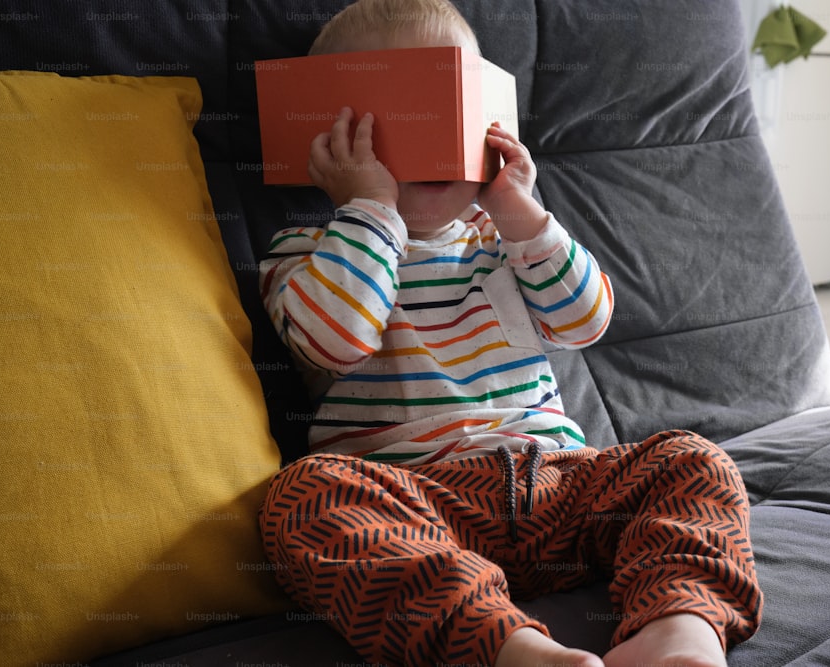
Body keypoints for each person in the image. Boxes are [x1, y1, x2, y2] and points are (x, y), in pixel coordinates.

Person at [258, 1, 762, 665]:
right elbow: (334, 340)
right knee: (302, 495)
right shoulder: (310, 249)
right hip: (419, 499)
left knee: (692, 459)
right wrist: (369, 210)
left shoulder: (502, 240)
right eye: (401, 111)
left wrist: (522, 215)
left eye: (449, 105)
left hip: (558, 481)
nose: (430, 135)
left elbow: (586, 319)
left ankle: (681, 629)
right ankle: (508, 647)